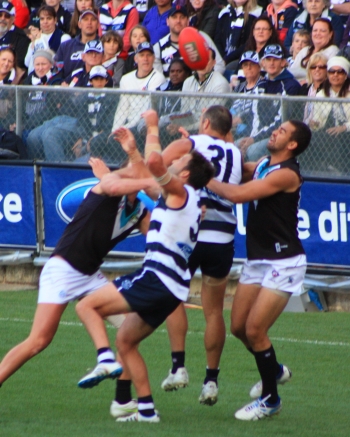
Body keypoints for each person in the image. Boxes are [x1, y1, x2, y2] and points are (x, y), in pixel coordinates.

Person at [74, 114, 215, 423]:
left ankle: (104, 360)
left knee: (86, 306)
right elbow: (150, 176)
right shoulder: (183, 197)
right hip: (171, 288)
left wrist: (155, 130)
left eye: (180, 161)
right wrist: (132, 150)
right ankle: (146, 410)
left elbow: (154, 166)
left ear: (186, 172)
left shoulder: (181, 192)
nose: (174, 161)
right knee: (126, 340)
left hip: (156, 279)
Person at [0, 140, 154, 398]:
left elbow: (160, 239)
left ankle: (125, 400)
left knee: (130, 329)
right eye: (141, 172)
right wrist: (143, 180)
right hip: (63, 270)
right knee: (39, 341)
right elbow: (113, 183)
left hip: (90, 275)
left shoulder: (140, 211)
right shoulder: (107, 187)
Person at [207, 119, 312, 420]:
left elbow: (238, 194)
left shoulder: (288, 174)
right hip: (258, 258)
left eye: (283, 131)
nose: (275, 130)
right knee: (239, 327)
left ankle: (270, 399)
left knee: (255, 330)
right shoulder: (267, 162)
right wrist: (219, 148)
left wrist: (202, 176)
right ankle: (275, 371)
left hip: (284, 261)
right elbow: (241, 170)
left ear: (292, 145)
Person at [160, 105, 242, 406]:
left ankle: (179, 366)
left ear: (205, 123)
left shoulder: (190, 144)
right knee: (214, 311)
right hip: (222, 235)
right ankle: (211, 381)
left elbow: (159, 168)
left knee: (172, 297)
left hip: (190, 229)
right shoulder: (235, 152)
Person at [240, 44, 301, 161]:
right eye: (268, 59)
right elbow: (255, 114)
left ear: (283, 62)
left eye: (275, 60)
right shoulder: (261, 84)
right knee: (236, 145)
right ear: (263, 63)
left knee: (253, 151)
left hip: (281, 135)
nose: (271, 63)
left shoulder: (290, 85)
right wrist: (250, 136)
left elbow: (282, 120)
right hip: (258, 133)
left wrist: (254, 139)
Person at [168, 49, 230, 135]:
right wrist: (177, 125)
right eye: (201, 59)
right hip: (188, 126)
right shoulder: (188, 82)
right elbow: (184, 112)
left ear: (214, 63)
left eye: (207, 60)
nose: (203, 63)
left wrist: (182, 128)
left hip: (210, 130)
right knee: (165, 128)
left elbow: (211, 120)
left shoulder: (220, 84)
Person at [153, 5, 225, 77]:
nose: (178, 21)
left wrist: (206, 81)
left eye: (182, 17)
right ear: (167, 21)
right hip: (171, 87)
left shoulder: (201, 37)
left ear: (188, 21)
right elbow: (158, 77)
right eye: (174, 17)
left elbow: (219, 64)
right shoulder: (159, 46)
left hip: (198, 86)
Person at [307, 56, 350, 174]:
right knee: (311, 138)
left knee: (341, 138)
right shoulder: (321, 95)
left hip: (346, 131)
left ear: (346, 75)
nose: (335, 75)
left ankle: (342, 171)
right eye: (332, 71)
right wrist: (314, 124)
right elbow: (318, 121)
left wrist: (344, 127)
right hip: (328, 131)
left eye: (340, 72)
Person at [230, 51, 266, 141]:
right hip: (233, 126)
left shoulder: (264, 85)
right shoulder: (239, 86)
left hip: (251, 127)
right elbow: (230, 106)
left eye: (252, 64)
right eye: (245, 65)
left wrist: (241, 119)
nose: (249, 68)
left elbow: (261, 111)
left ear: (259, 67)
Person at [214, 0, 263, 66]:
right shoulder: (224, 13)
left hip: (244, 58)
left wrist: (227, 59)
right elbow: (217, 40)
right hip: (222, 58)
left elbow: (250, 42)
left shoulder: (257, 13)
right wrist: (222, 59)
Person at [289, 17, 339, 82]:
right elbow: (291, 72)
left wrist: (307, 80)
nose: (318, 33)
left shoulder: (333, 51)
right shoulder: (305, 50)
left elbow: (327, 76)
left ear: (330, 34)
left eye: (322, 31)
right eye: (315, 30)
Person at [25, 5, 71, 73]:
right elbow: (27, 63)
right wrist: (33, 43)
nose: (45, 22)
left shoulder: (64, 37)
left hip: (54, 77)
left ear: (55, 20)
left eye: (49, 18)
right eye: (42, 19)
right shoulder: (36, 38)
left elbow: (64, 62)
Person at [54, 8, 98, 77]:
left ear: (98, 24)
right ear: (79, 24)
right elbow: (56, 72)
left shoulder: (104, 45)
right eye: (86, 19)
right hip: (68, 86)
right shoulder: (65, 46)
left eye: (93, 19)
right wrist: (60, 83)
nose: (89, 22)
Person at [0, 0, 30, 74]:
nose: (2, 18)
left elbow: (19, 66)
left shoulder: (21, 37)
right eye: (0, 15)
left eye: (7, 16)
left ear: (13, 19)